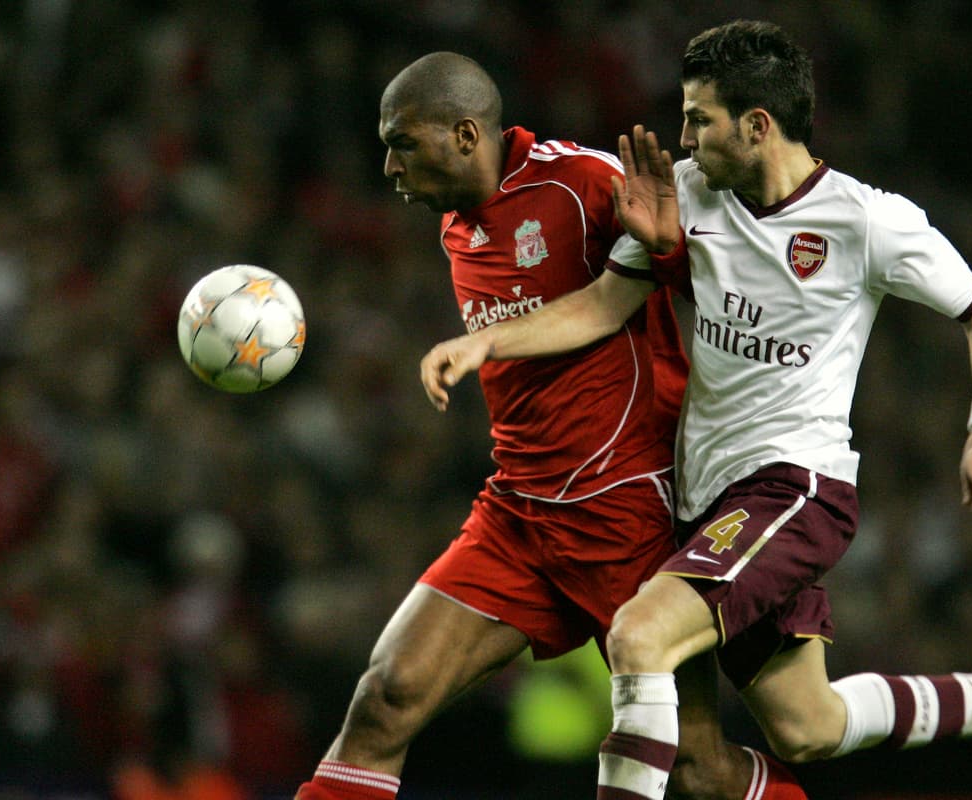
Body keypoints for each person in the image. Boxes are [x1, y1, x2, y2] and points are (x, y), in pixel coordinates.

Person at [419, 20, 972, 799]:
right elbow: (605, 303)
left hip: (792, 489)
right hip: (707, 502)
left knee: (640, 634)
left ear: (758, 125)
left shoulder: (868, 221)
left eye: (699, 119)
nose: (685, 136)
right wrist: (488, 344)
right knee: (809, 725)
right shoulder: (689, 194)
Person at [295, 51, 806, 800]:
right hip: (519, 514)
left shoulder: (584, 183)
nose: (388, 167)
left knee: (697, 770)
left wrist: (669, 249)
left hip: (630, 512)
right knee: (386, 699)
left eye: (402, 142)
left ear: (466, 136)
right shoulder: (455, 227)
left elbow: (724, 282)